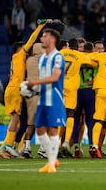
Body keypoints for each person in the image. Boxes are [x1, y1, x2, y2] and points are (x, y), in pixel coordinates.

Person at [0, 20, 48, 159]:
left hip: (12, 89)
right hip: (14, 90)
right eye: (24, 47)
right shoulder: (19, 55)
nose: (27, 48)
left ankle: (9, 148)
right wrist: (41, 26)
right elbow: (31, 40)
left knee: (16, 119)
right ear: (20, 49)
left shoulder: (17, 60)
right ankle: (5, 146)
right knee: (15, 119)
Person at [27, 28, 66, 173]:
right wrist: (32, 88)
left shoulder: (57, 57)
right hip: (42, 98)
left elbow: (55, 77)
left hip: (54, 97)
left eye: (45, 36)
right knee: (40, 129)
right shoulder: (43, 58)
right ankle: (52, 160)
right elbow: (43, 79)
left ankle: (51, 164)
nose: (42, 38)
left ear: (53, 40)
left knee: (53, 129)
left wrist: (34, 82)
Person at [59, 38, 97, 158]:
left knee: (66, 117)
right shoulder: (80, 56)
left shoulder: (60, 53)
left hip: (63, 87)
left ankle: (72, 145)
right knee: (87, 120)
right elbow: (94, 63)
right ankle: (91, 145)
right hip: (81, 90)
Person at [21, 43, 45, 158]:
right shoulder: (45, 60)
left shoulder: (29, 61)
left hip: (30, 94)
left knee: (30, 123)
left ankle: (27, 147)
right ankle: (43, 148)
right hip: (42, 93)